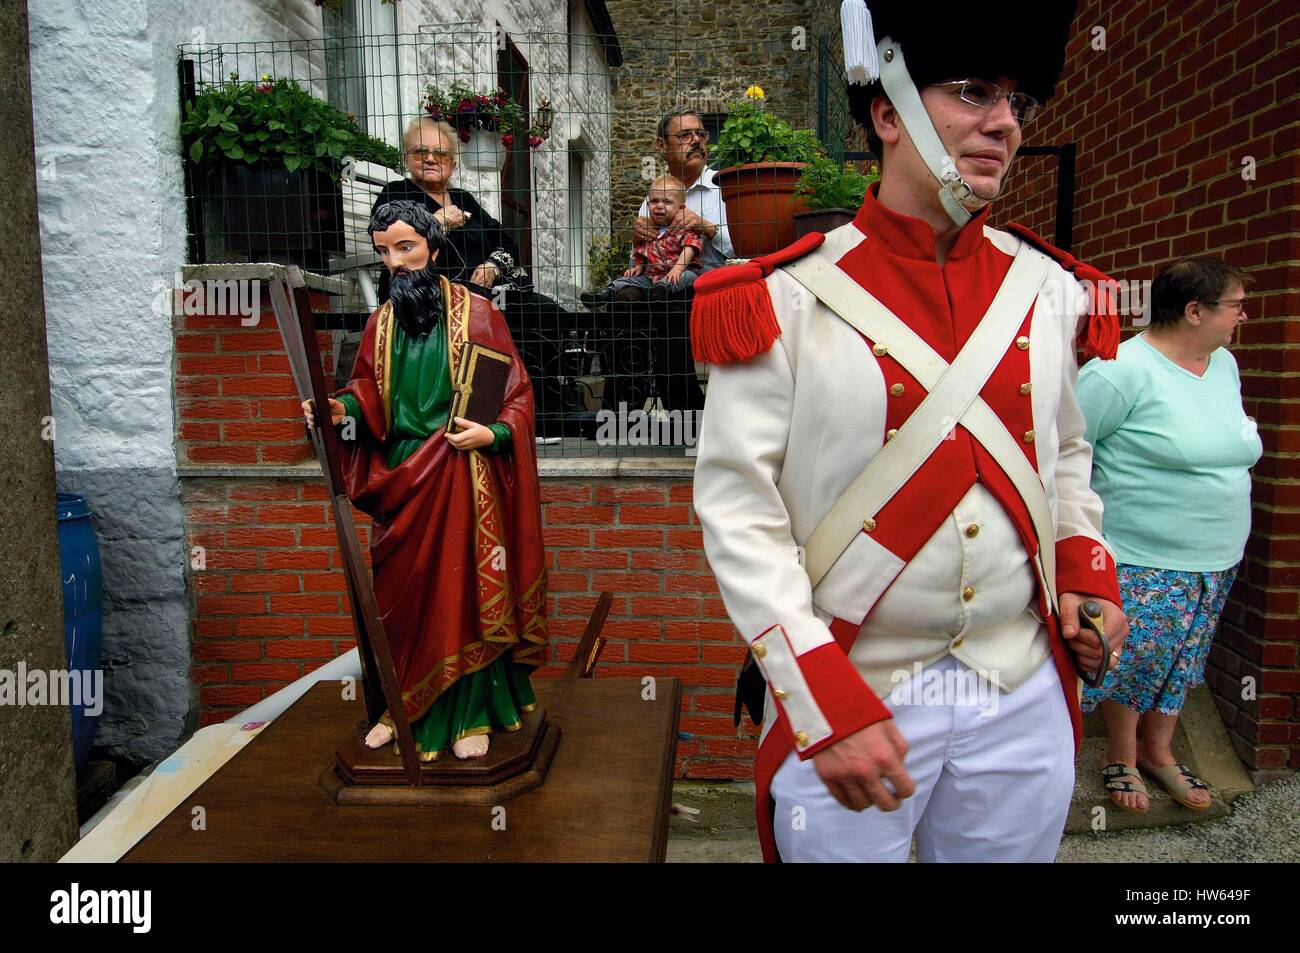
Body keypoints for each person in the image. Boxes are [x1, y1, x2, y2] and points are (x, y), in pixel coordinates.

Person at [691, 0, 1129, 862]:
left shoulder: (1049, 289)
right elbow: (740, 510)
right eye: (972, 93)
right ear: (887, 112)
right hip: (853, 688)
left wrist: (1086, 572)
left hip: (1021, 687)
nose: (1002, 123)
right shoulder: (780, 297)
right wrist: (819, 697)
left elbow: (1067, 454)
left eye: (1015, 103)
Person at [303, 200, 548, 761]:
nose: (395, 263)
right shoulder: (378, 324)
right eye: (384, 252)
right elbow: (365, 393)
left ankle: (468, 716)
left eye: (406, 247)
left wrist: (494, 435)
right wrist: (338, 411)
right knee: (404, 603)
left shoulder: (480, 312)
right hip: (403, 476)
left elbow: (517, 396)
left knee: (461, 595)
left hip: (462, 473)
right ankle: (402, 707)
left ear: (435, 249)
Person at [1076, 257, 1261, 813]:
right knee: (1136, 660)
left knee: (1186, 659)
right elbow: (1065, 456)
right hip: (1141, 555)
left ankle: (1160, 753)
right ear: (1194, 309)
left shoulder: (1222, 364)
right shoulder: (1120, 372)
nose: (1243, 316)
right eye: (1235, 305)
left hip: (1218, 556)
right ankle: (1123, 756)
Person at [373, 117, 582, 435]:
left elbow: (507, 241)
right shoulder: (396, 195)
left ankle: (539, 413)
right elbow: (390, 241)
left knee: (548, 312)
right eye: (420, 151)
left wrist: (492, 265)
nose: (430, 159)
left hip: (486, 296)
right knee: (505, 323)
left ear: (453, 164)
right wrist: (439, 222)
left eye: (440, 154)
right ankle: (485, 414)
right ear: (406, 157)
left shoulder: (465, 200)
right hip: (433, 299)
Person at [581, 175, 703, 307]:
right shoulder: (648, 229)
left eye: (667, 202)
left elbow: (689, 248)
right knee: (628, 280)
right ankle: (605, 294)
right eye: (654, 201)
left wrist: (678, 269)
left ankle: (662, 290)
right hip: (651, 277)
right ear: (648, 203)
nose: (660, 206)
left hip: (680, 273)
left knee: (688, 277)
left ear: (681, 208)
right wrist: (638, 267)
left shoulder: (681, 227)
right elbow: (642, 253)